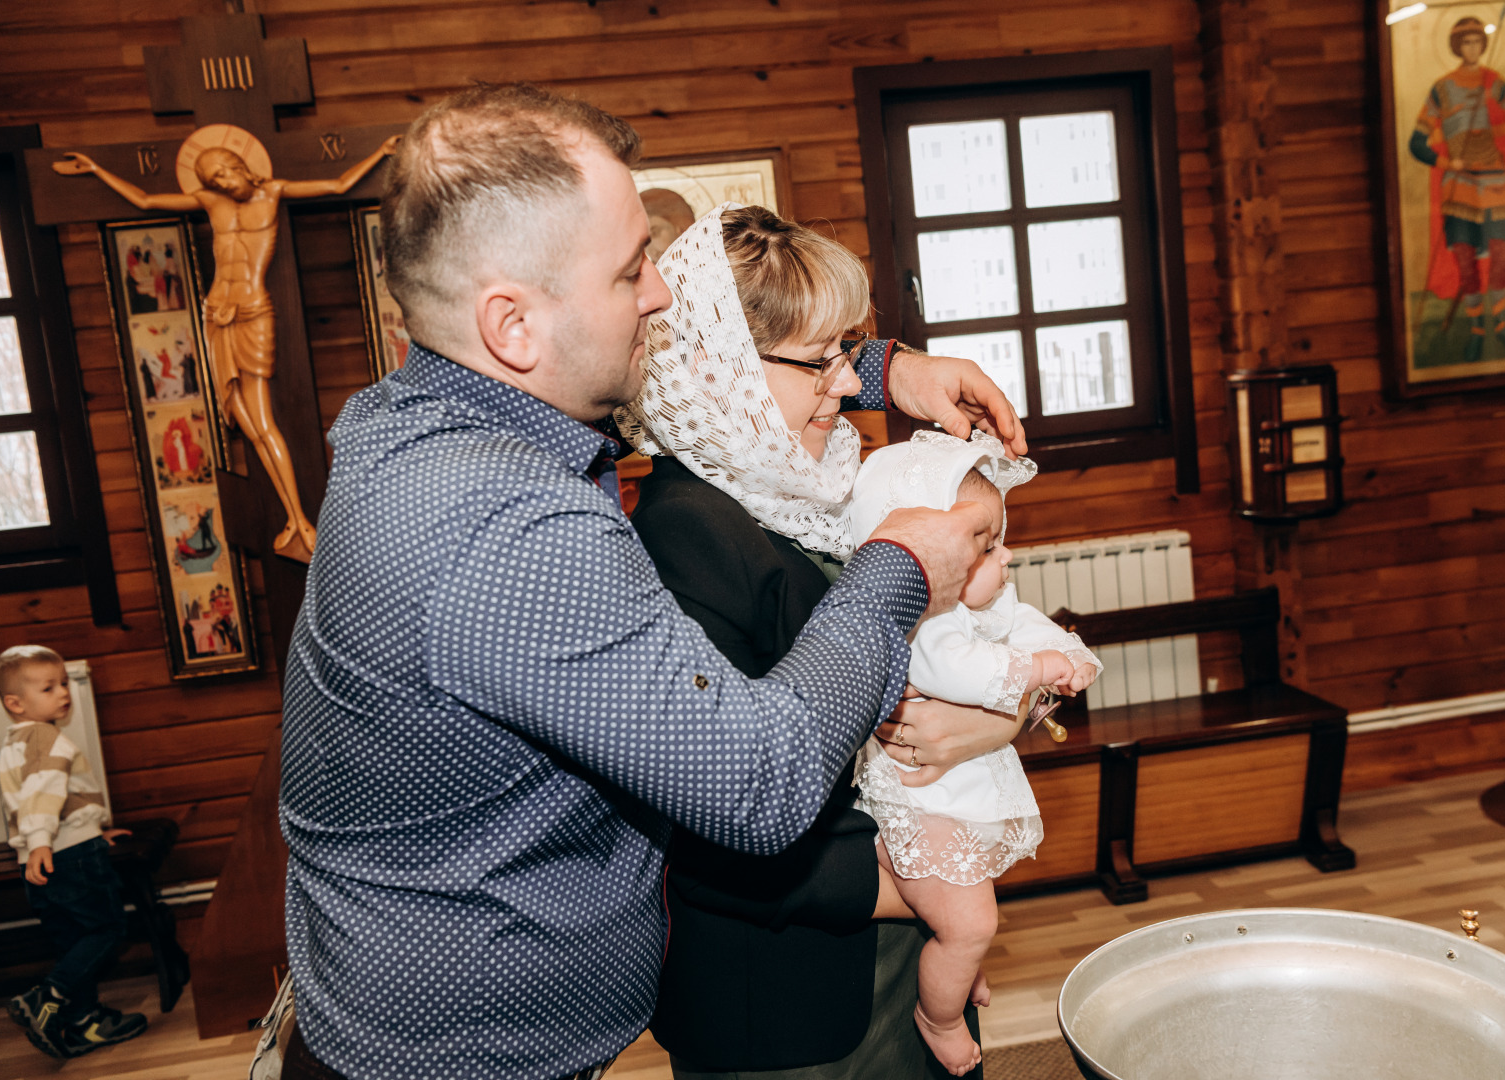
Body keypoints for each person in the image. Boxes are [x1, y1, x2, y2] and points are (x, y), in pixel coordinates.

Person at [276, 83, 1025, 1080]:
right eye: (632, 270)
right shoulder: (502, 531)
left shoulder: (423, 417)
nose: (662, 296)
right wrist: (896, 572)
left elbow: (708, 381)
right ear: (513, 324)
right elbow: (759, 785)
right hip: (458, 1059)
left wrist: (886, 370)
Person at [620, 204, 1032, 1079]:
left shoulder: (808, 480)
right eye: (819, 362)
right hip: (788, 996)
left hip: (887, 932)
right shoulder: (683, 537)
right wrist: (935, 891)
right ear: (715, 366)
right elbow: (712, 835)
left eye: (848, 353)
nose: (846, 386)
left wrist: (1000, 719)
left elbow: (934, 653)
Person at [847, 432, 1100, 1074]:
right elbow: (958, 671)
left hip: (955, 798)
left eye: (1001, 537)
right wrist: (1035, 666)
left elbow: (1030, 624)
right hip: (921, 804)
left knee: (966, 905)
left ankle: (956, 972)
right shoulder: (923, 618)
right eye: (986, 546)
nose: (1006, 555)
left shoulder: (980, 600)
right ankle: (938, 1015)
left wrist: (1069, 656)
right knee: (969, 923)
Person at [54, 131, 402, 562]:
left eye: (224, 173)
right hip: (217, 312)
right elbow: (145, 202)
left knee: (261, 421)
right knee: (244, 418)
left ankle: (299, 520)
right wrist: (97, 170)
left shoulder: (274, 192)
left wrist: (380, 153)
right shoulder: (211, 202)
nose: (222, 183)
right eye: (213, 178)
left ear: (241, 166)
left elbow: (339, 186)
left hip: (253, 311)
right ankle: (294, 519)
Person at [0, 645, 145, 1060]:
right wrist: (47, 839)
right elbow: (43, 793)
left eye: (64, 683)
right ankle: (46, 997)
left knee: (73, 941)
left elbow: (34, 799)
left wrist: (92, 827)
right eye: (49, 687)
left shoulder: (14, 742)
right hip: (67, 855)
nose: (63, 692)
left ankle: (84, 1022)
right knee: (107, 928)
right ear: (15, 702)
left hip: (39, 858)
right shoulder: (46, 736)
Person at [1407, 15, 1505, 364]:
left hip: (1495, 182)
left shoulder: (1494, 83)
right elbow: (1416, 143)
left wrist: (1499, 137)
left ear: (1483, 45)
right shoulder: (1441, 88)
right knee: (1466, 262)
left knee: (1498, 255)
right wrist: (1448, 163)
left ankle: (1500, 324)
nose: (1472, 48)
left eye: (1477, 42)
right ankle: (1477, 331)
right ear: (1457, 47)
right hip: (1460, 188)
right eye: (1465, 43)